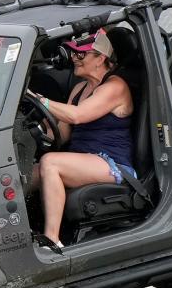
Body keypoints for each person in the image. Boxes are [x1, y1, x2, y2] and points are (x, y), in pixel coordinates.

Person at [30, 31, 135, 251]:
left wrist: (40, 100)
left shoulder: (115, 87)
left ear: (100, 58)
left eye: (81, 53)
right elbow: (62, 133)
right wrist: (34, 134)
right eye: (74, 52)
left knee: (51, 163)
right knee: (24, 174)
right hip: (82, 159)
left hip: (112, 164)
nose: (74, 57)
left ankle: (52, 240)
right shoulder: (79, 89)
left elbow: (78, 115)